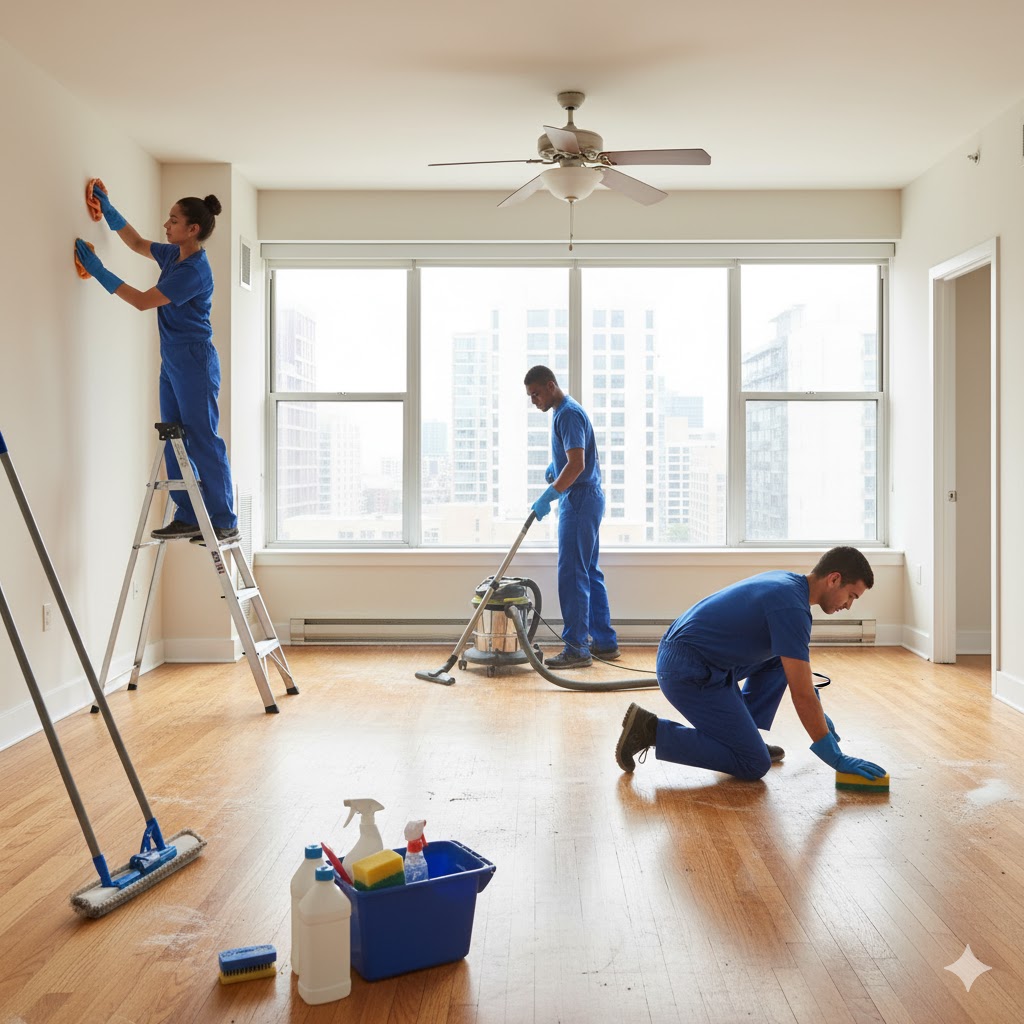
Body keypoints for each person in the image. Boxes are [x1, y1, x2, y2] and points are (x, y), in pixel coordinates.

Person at [615, 546, 887, 782]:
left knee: (782, 660)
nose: (849, 605)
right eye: (851, 595)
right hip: (687, 669)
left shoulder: (789, 584)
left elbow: (796, 670)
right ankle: (650, 730)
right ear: (834, 579)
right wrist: (835, 757)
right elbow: (801, 694)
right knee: (754, 764)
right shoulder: (792, 609)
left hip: (697, 658)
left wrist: (820, 719)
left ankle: (745, 737)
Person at [75, 188, 239, 544]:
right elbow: (136, 243)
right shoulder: (174, 256)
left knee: (203, 439)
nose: (167, 225)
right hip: (174, 358)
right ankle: (188, 515)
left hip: (194, 359)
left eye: (174, 220)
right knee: (172, 434)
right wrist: (108, 208)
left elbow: (141, 301)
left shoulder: (192, 271)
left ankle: (225, 519)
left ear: (193, 229)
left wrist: (98, 270)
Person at [524, 365, 618, 670]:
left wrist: (551, 492)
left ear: (551, 386)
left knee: (573, 574)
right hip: (586, 498)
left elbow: (576, 465)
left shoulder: (567, 413)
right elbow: (573, 459)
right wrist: (556, 469)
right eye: (530, 396)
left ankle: (577, 648)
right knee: (589, 571)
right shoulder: (564, 412)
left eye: (536, 393)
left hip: (579, 500)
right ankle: (604, 640)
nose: (533, 400)